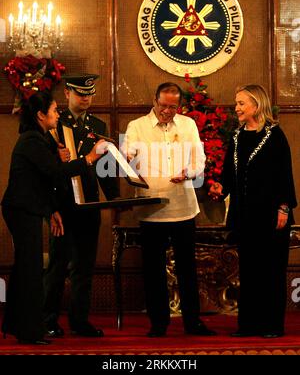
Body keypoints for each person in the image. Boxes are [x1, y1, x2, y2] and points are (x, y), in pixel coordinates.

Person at [1, 91, 104, 344]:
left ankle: (16, 325)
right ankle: (29, 332)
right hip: (22, 210)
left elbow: (44, 180)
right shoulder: (31, 140)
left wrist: (51, 210)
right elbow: (56, 172)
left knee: (26, 268)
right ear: (40, 115)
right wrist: (90, 158)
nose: (58, 115)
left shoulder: (40, 138)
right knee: (31, 269)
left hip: (31, 208)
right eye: (55, 110)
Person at [122, 82, 216, 337]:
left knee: (187, 269)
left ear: (179, 106)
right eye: (163, 106)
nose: (166, 111)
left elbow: (200, 160)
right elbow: (125, 159)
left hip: (183, 206)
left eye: (172, 107)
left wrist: (189, 173)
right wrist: (126, 160)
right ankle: (159, 323)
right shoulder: (137, 126)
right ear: (154, 101)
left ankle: (192, 322)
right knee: (153, 271)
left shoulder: (188, 125)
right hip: (151, 209)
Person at [209, 84, 297, 338]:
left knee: (270, 270)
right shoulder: (237, 137)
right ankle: (247, 325)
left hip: (271, 216)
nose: (236, 108)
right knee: (248, 272)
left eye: (241, 103)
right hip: (245, 216)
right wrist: (220, 188)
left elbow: (284, 175)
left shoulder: (275, 135)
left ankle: (271, 326)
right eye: (236, 103)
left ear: (256, 106)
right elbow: (228, 174)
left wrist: (283, 208)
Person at [43, 74, 119, 337]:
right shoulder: (55, 124)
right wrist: (50, 208)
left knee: (84, 267)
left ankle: (79, 321)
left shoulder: (98, 125)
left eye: (89, 94)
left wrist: (114, 198)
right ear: (67, 94)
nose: (85, 98)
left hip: (88, 204)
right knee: (58, 265)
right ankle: (49, 320)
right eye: (79, 93)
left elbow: (104, 166)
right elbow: (48, 169)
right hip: (63, 205)